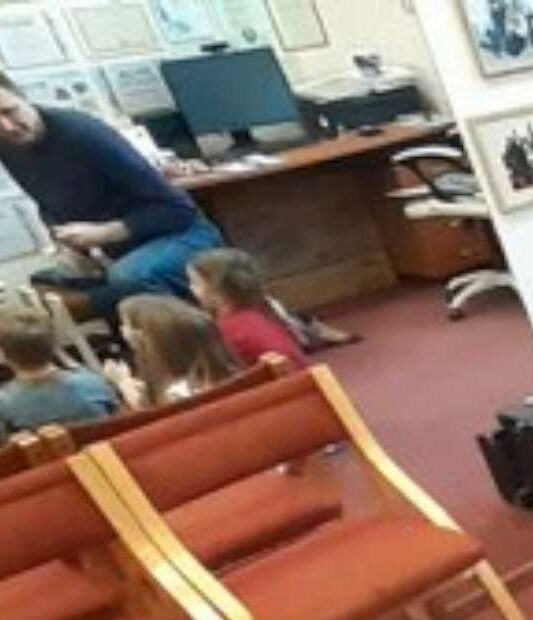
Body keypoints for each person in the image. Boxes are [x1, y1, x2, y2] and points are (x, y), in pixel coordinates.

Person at [0, 72, 222, 324]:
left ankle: (186, 340)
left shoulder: (82, 134)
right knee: (44, 282)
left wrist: (106, 233)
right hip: (120, 249)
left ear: (23, 97)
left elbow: (178, 210)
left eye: (10, 111)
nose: (8, 127)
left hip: (183, 234)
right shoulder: (8, 145)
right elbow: (48, 202)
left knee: (128, 278)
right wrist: (68, 245)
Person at [105, 294, 239, 410]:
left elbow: (148, 409)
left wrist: (123, 382)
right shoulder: (221, 369)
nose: (122, 331)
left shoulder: (178, 395)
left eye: (126, 325)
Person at [0, 304, 117, 431]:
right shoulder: (92, 383)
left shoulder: (5, 404)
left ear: (3, 354)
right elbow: (118, 419)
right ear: (54, 345)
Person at [187, 248, 306, 370]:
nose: (190, 288)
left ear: (217, 290)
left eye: (195, 283)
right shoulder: (262, 310)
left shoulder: (228, 330)